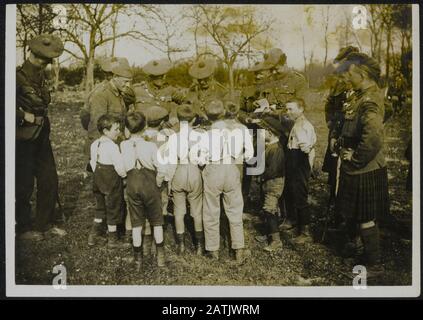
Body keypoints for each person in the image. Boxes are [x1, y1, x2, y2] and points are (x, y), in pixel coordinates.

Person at [335, 52, 390, 275]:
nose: (346, 78)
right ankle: (364, 254)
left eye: (349, 73)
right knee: (359, 215)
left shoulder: (369, 99)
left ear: (363, 74)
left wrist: (356, 157)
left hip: (364, 167)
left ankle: (374, 264)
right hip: (358, 167)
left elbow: (374, 135)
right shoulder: (362, 96)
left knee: (366, 218)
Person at [16, 34, 66, 241]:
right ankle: (23, 227)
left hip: (41, 134)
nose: (42, 63)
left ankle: (43, 224)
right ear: (31, 54)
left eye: (46, 61)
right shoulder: (16, 77)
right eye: (39, 59)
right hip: (22, 136)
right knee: (24, 182)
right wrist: (22, 115)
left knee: (49, 180)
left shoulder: (41, 77)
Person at [200, 100, 250, 262]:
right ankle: (239, 250)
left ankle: (213, 250)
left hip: (214, 169)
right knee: (235, 210)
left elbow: (201, 160)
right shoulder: (242, 130)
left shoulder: (209, 132)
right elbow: (249, 155)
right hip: (232, 168)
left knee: (211, 210)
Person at [120, 111, 167, 268]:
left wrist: (126, 177)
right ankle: (160, 257)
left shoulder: (123, 145)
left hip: (132, 185)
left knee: (136, 222)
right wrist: (158, 183)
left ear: (126, 129)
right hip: (150, 184)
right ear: (145, 127)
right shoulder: (151, 146)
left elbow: (121, 170)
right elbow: (161, 168)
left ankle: (138, 259)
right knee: (157, 221)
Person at [166, 105, 205, 255]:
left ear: (178, 119)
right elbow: (202, 161)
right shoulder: (200, 136)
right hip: (194, 172)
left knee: (179, 210)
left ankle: (181, 244)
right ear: (194, 119)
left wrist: (169, 181)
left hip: (179, 172)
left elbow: (171, 162)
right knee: (196, 210)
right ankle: (199, 246)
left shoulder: (173, 137)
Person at [87, 114, 128, 249]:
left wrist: (97, 174)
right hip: (111, 183)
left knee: (100, 208)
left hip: (98, 181)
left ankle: (93, 236)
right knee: (113, 209)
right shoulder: (113, 147)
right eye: (115, 129)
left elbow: (92, 162)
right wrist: (124, 176)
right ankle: (112, 240)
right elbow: (119, 166)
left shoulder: (95, 144)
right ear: (105, 131)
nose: (119, 132)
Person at [284, 98, 317, 245]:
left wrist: (307, 164)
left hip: (299, 160)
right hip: (293, 158)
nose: (288, 112)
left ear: (301, 109)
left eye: (291, 109)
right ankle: (292, 220)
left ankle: (305, 231)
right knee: (290, 190)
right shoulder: (296, 123)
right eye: (287, 109)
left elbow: (306, 148)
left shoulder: (304, 125)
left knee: (300, 194)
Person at [255, 116, 286, 252]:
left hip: (274, 183)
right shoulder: (270, 147)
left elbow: (273, 171)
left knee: (269, 210)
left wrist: (261, 176)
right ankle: (269, 234)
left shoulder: (276, 149)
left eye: (262, 131)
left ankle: (276, 241)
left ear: (270, 132)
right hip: (268, 182)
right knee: (266, 208)